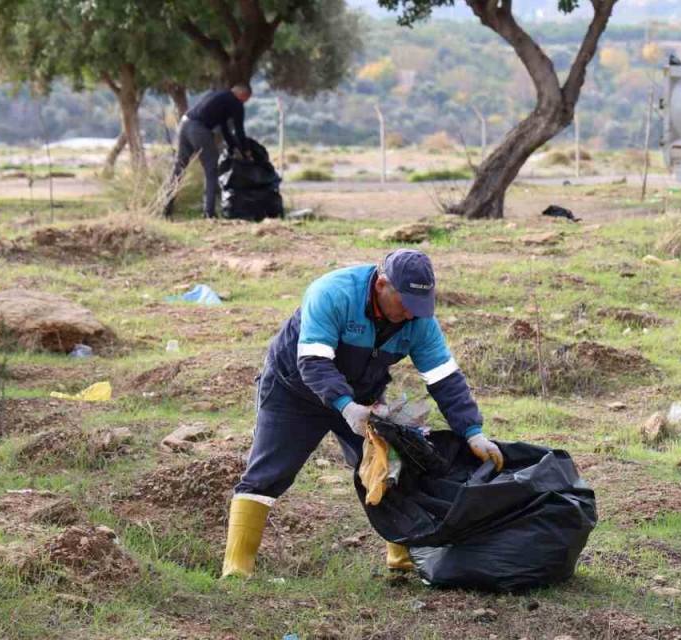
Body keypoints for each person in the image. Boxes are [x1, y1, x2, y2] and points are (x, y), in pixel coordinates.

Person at [221, 249, 504, 579]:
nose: (413, 315)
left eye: (420, 306)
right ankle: (236, 570)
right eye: (407, 305)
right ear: (383, 284)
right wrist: (346, 407)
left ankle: (402, 561)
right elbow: (313, 361)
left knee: (392, 468)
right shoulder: (332, 293)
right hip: (294, 391)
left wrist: (473, 431)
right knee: (267, 474)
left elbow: (444, 378)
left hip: (364, 398)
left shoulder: (419, 320)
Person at [165, 84, 252, 219]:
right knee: (211, 169)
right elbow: (239, 130)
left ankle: (165, 208)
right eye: (246, 100)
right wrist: (246, 151)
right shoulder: (236, 103)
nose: (244, 103)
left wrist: (232, 146)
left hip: (184, 124)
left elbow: (224, 128)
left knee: (179, 168)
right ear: (244, 95)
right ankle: (209, 213)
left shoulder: (218, 94)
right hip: (199, 129)